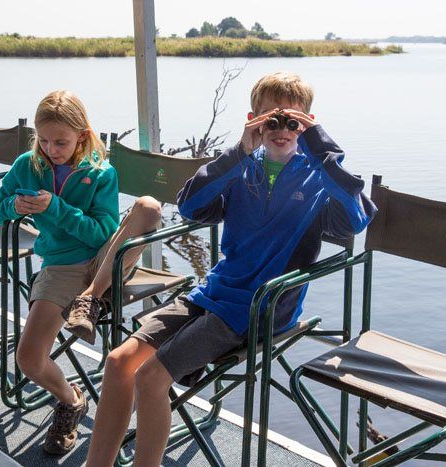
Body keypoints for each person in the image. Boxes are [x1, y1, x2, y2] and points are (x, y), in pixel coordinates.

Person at [85, 71, 377, 467]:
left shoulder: (318, 179)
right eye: (270, 120)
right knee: (120, 361)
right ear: (253, 119)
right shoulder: (243, 169)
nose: (281, 129)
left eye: (293, 122)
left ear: (308, 124)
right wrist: (239, 151)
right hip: (215, 293)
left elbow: (356, 219)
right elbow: (190, 206)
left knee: (151, 379)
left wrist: (319, 145)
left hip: (262, 307)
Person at [0, 90, 161, 456]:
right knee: (29, 359)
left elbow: (102, 232)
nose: (52, 148)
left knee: (147, 209)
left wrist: (55, 208)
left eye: (61, 141)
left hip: (105, 260)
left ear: (82, 135)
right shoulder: (27, 165)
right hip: (62, 266)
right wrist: (14, 206)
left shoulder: (101, 172)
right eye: (45, 140)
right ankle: (71, 400)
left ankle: (91, 299)